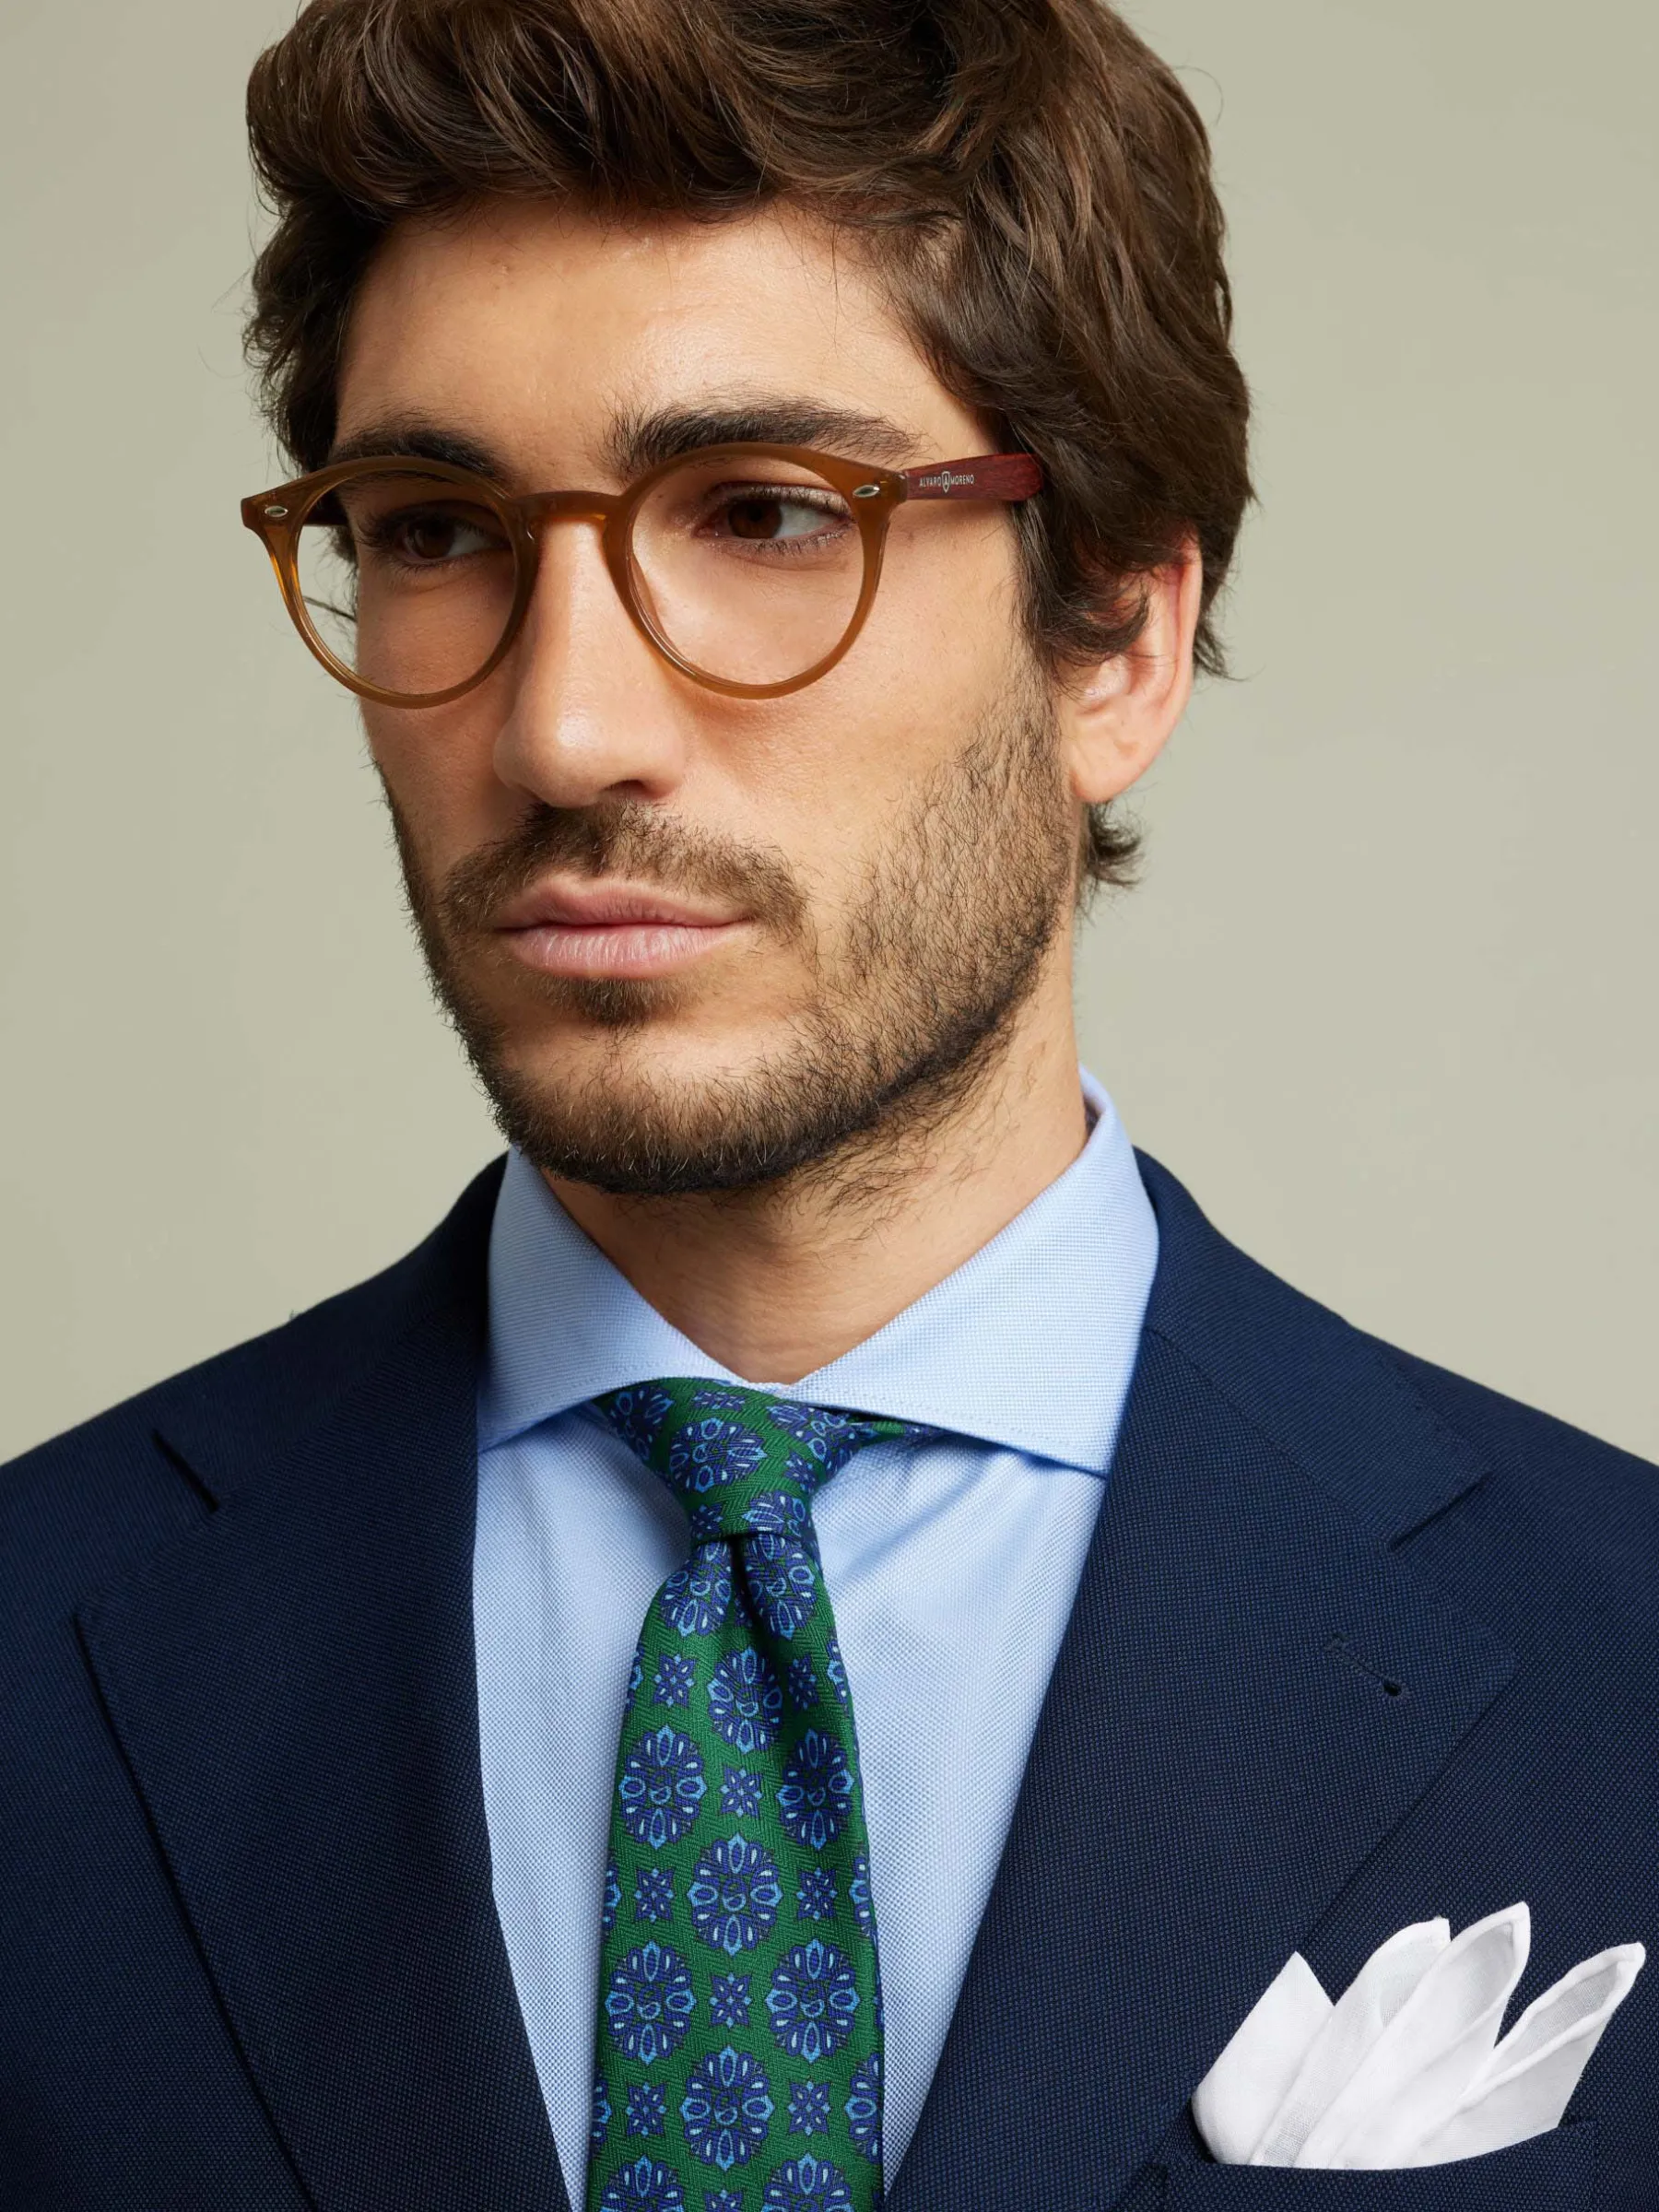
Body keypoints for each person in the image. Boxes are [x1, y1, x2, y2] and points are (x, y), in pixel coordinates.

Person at [2, 0, 1653, 2205]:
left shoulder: (1620, 1665)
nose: (563, 728)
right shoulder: (36, 1650)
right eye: (433, 528)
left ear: (1120, 639)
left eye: (769, 513)